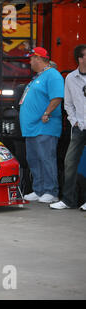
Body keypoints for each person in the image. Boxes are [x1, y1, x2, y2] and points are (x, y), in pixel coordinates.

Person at [19, 47, 64, 204]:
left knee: (46, 158)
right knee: (34, 159)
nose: (30, 62)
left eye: (31, 59)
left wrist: (46, 113)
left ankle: (51, 191)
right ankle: (39, 190)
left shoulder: (52, 75)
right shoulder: (38, 77)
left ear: (38, 58)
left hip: (45, 125)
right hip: (31, 127)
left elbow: (57, 97)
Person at [50, 44, 86, 211]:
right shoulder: (71, 78)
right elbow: (68, 104)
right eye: (84, 55)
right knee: (69, 162)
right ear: (79, 58)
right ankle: (68, 200)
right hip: (79, 126)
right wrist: (74, 121)